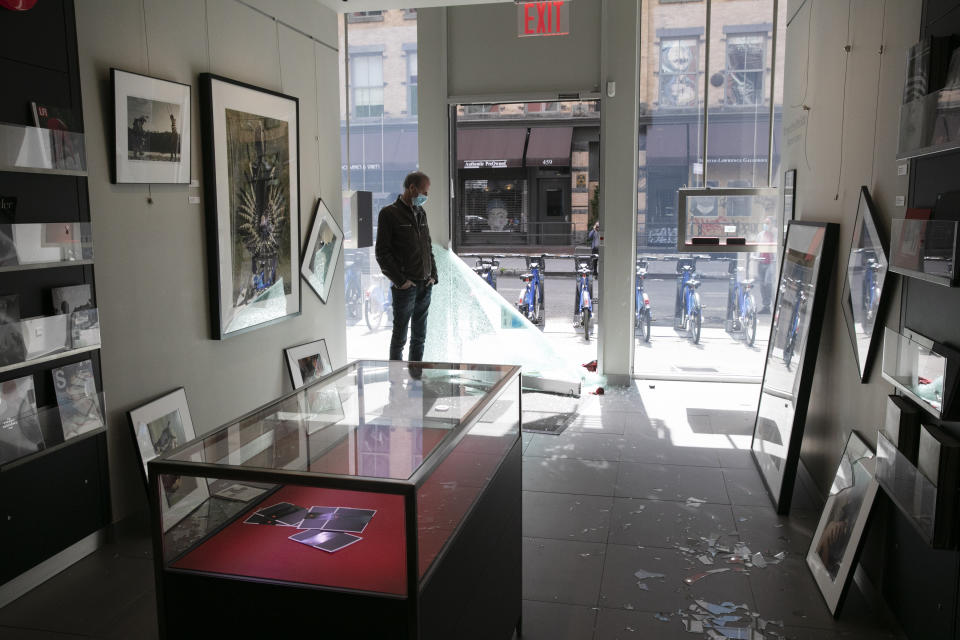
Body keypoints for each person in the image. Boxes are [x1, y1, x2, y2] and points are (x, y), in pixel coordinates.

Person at [375, 171, 438, 362]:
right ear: (412, 188)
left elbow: (427, 245)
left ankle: (415, 382)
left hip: (425, 285)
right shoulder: (389, 214)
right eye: (424, 192)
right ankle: (396, 384)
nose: (426, 197)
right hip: (406, 288)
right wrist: (402, 282)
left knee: (419, 338)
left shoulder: (421, 213)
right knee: (399, 338)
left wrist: (433, 275)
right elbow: (382, 254)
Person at [756, 217, 776, 313]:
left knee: (768, 283)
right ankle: (766, 306)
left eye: (767, 223)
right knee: (762, 285)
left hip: (770, 263)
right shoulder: (761, 235)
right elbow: (756, 246)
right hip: (761, 262)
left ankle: (772, 305)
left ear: (772, 224)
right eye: (764, 223)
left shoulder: (775, 234)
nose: (766, 225)